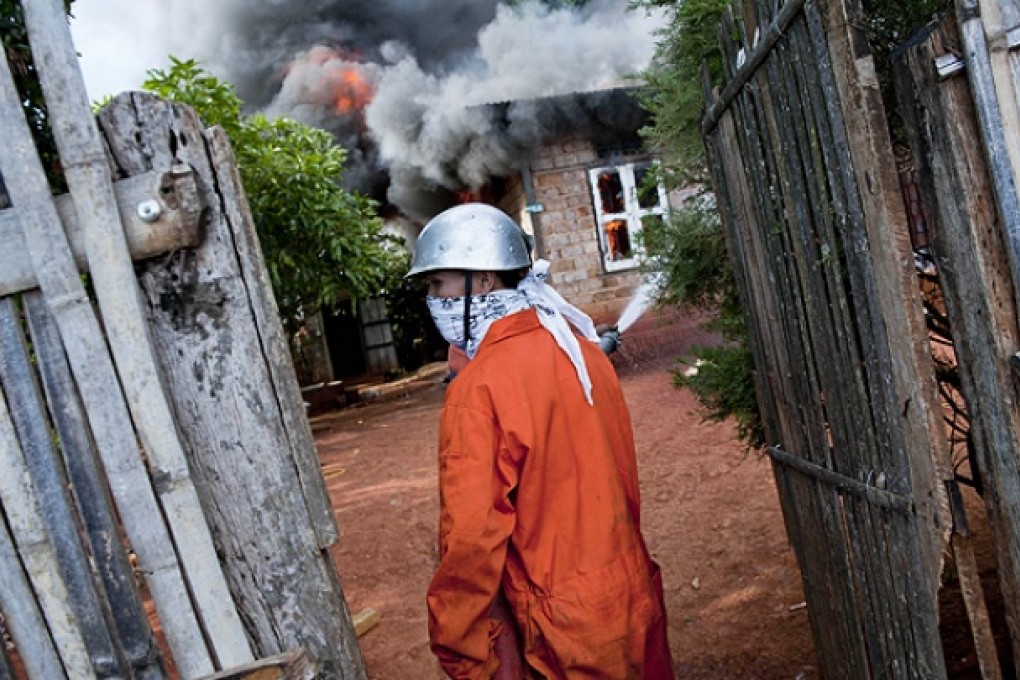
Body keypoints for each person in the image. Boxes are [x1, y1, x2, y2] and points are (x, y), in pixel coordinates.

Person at [408, 202, 675, 679]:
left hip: (561, 636)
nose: (433, 299)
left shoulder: (479, 390)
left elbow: (470, 542)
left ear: (483, 280)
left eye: (437, 284)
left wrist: (463, 655)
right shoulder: (585, 355)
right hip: (633, 600)